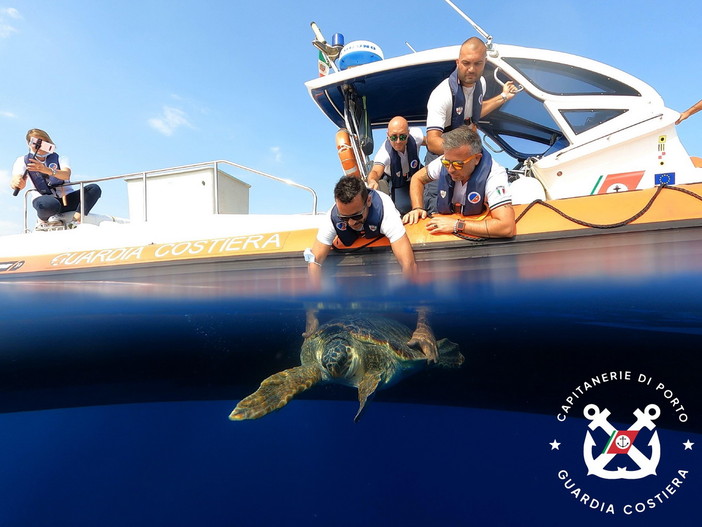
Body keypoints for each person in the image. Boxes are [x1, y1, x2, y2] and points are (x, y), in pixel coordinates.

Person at [402, 125, 515, 239]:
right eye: (446, 163)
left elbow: (506, 227)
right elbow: (418, 178)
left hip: (473, 223)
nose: (450, 169)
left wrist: (457, 225)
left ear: (477, 159)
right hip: (446, 222)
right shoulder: (446, 160)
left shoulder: (494, 175)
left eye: (458, 164)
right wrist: (417, 208)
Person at [306, 175, 416, 281]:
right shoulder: (332, 217)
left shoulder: (385, 211)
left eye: (356, 215)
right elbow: (314, 260)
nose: (351, 222)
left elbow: (409, 264)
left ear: (368, 201)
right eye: (344, 218)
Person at [425, 37, 520, 158]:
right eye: (466, 63)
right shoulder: (442, 94)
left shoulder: (481, 83)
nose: (471, 69)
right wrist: (463, 151)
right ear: (458, 62)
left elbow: (474, 112)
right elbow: (432, 142)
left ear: (485, 62)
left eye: (478, 63)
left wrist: (504, 96)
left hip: (469, 151)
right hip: (443, 156)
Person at [10, 128, 102, 229]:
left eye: (43, 141)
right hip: (45, 201)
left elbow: (66, 174)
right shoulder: (22, 161)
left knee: (94, 188)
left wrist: (46, 170)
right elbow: (16, 178)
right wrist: (17, 183)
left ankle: (75, 221)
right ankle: (42, 221)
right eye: (36, 142)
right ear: (29, 144)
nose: (40, 145)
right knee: (49, 204)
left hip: (66, 199)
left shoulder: (60, 158)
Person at [366, 116, 425, 215]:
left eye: (402, 136)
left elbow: (430, 143)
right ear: (388, 135)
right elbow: (375, 171)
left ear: (408, 134)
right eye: (393, 137)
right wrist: (372, 181)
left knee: (432, 195)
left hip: (416, 174)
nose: (398, 141)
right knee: (403, 207)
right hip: (398, 182)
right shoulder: (384, 153)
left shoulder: (416, 136)